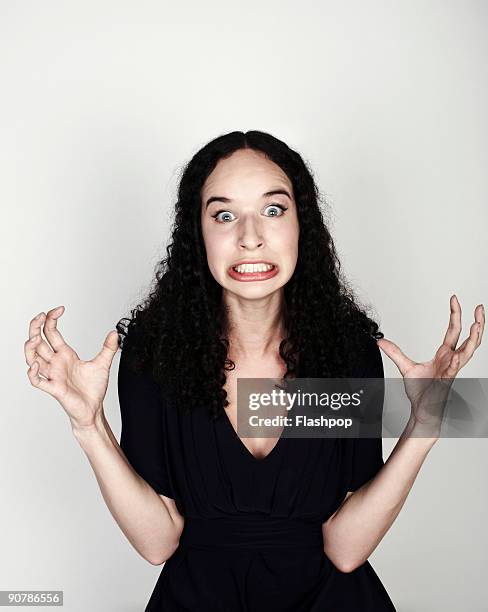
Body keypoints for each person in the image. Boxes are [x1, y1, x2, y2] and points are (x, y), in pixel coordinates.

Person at [24, 130, 484, 611]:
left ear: (301, 224)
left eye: (273, 210)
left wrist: (426, 423)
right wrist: (88, 424)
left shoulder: (344, 351)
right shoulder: (155, 353)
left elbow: (345, 549)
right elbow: (157, 541)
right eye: (224, 215)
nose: (250, 238)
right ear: (197, 234)